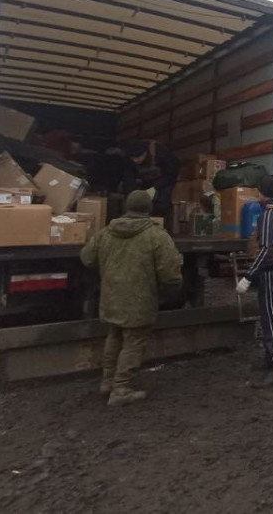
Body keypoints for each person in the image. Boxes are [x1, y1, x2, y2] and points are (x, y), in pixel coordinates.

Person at [80, 190, 183, 406]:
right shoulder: (156, 235)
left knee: (114, 335)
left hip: (111, 297)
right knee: (134, 342)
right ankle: (121, 389)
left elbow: (87, 257)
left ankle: (107, 382)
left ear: (127, 207)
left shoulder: (106, 231)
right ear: (149, 209)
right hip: (139, 299)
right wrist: (171, 290)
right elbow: (170, 273)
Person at [235, 175, 273, 388]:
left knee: (272, 319)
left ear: (264, 192)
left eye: (259, 190)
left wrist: (248, 276)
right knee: (272, 316)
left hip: (272, 273)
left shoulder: (270, 214)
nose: (257, 193)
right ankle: (271, 358)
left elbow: (267, 250)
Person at [120, 140, 180, 217]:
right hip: (146, 181)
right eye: (133, 158)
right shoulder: (128, 159)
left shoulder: (160, 152)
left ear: (145, 152)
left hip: (165, 179)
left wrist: (155, 187)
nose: (136, 160)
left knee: (162, 203)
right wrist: (131, 195)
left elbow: (172, 173)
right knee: (140, 203)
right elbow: (128, 179)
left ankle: (159, 222)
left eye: (138, 157)